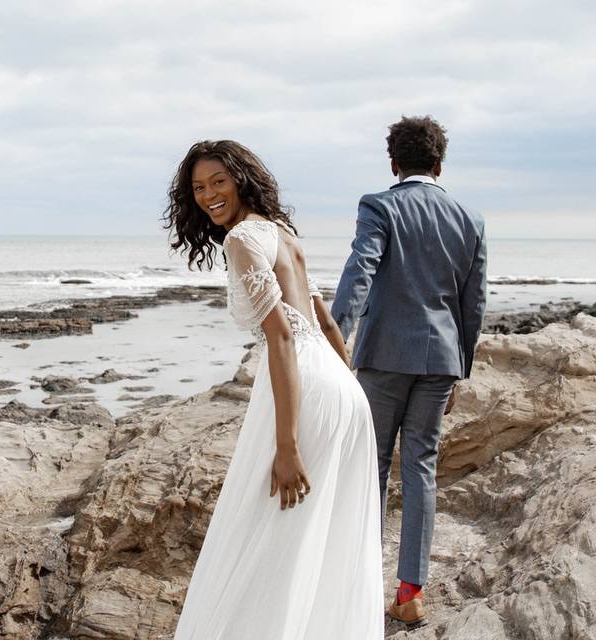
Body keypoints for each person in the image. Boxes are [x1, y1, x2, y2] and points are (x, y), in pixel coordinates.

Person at [165, 140, 384, 639]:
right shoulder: (282, 233)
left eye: (218, 181)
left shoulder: (243, 239)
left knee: (271, 539)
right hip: (337, 386)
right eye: (198, 187)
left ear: (241, 178)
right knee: (320, 537)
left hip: (304, 383)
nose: (208, 195)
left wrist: (286, 446)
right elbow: (325, 320)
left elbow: (282, 335)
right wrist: (350, 390)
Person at [331, 116, 487, 628]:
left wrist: (335, 336)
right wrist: (459, 368)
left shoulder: (379, 205)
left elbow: (361, 270)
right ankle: (410, 592)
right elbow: (473, 304)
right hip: (441, 358)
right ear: (440, 164)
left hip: (383, 357)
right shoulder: (469, 218)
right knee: (420, 467)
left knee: (370, 466)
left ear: (393, 163)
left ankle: (360, 584)